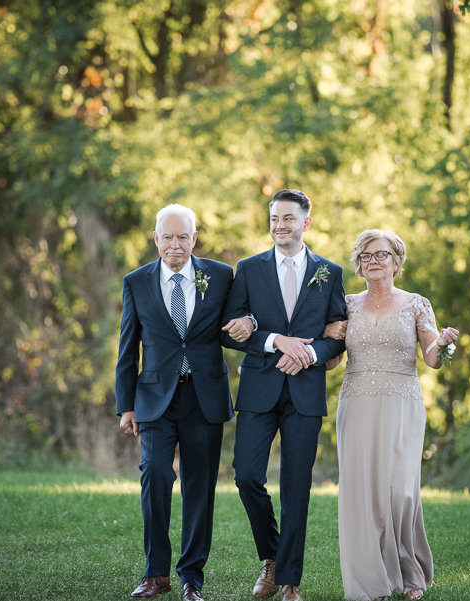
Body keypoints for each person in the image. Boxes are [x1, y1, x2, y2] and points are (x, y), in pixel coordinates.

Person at [115, 204, 255, 601]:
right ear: (155, 238)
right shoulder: (136, 281)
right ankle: (155, 574)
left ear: (194, 239)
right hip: (155, 398)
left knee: (199, 488)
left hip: (204, 397)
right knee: (155, 474)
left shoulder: (222, 275)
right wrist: (126, 405)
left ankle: (191, 578)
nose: (174, 245)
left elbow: (234, 328)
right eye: (167, 237)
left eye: (183, 237)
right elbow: (127, 348)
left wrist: (253, 325)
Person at [221, 189, 347, 601]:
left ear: (306, 223)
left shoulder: (329, 271)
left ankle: (289, 580)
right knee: (246, 477)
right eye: (275, 218)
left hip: (305, 393)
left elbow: (339, 334)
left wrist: (308, 353)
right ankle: (271, 557)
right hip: (259, 388)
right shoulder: (249, 268)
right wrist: (278, 341)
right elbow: (235, 329)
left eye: (289, 218)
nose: (280, 225)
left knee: (297, 485)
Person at [327, 229, 459, 601]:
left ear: (397, 261)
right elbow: (333, 360)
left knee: (399, 491)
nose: (373, 261)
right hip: (357, 402)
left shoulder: (417, 303)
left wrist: (445, 345)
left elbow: (433, 358)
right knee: (362, 493)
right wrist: (323, 336)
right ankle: (371, 583)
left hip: (402, 403)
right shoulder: (346, 303)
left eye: (381, 255)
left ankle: (409, 570)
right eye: (366, 256)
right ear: (358, 263)